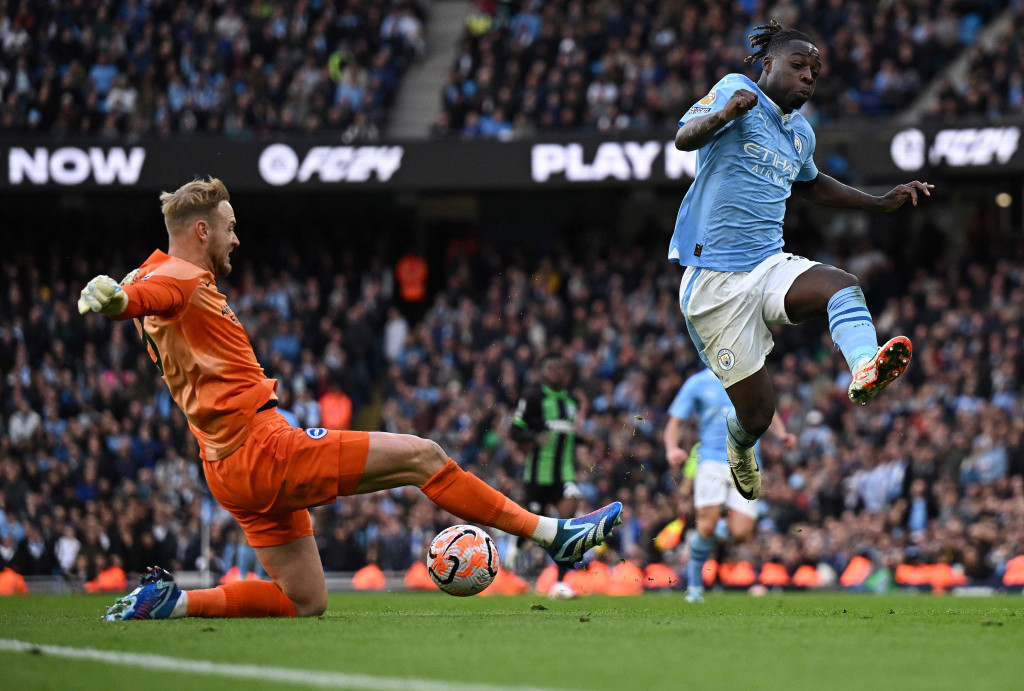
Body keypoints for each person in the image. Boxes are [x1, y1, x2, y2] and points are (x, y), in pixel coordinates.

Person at [78, 177, 622, 620]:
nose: (236, 240)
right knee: (424, 455)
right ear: (202, 230)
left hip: (223, 466)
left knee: (305, 600)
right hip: (264, 450)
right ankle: (555, 535)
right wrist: (120, 300)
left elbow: (146, 291)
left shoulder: (157, 271)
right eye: (229, 229)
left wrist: (125, 293)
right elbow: (151, 294)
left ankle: (172, 604)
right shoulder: (180, 278)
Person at [671, 20, 933, 501]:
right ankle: (740, 442)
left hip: (768, 266)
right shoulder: (737, 91)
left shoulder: (801, 135)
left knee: (841, 283)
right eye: (798, 66)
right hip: (713, 283)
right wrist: (726, 113)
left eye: (815, 70)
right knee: (757, 416)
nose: (809, 77)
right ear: (767, 64)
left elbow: (810, 184)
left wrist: (876, 203)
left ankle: (862, 367)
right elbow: (685, 138)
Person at [664, 367, 796, 602]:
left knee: (741, 533)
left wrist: (782, 434)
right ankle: (694, 584)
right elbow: (675, 421)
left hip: (746, 460)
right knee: (706, 525)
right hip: (711, 461)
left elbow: (766, 410)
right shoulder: (697, 382)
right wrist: (672, 448)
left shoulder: (750, 374)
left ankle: (703, 538)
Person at [507, 353, 586, 599]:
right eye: (549, 368)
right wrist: (534, 438)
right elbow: (514, 431)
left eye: (558, 369)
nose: (553, 373)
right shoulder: (533, 398)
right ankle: (514, 555)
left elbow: (567, 435)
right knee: (533, 526)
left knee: (568, 521)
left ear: (566, 375)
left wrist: (585, 440)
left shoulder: (572, 401)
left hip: (565, 474)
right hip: (538, 476)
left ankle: (560, 583)